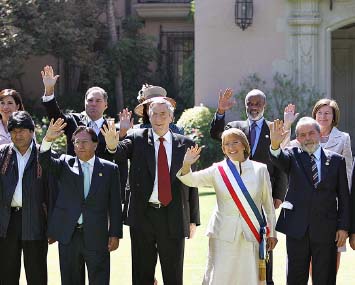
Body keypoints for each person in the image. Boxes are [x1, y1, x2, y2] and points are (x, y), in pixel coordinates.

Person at [101, 98, 200, 285]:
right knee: (141, 274)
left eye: (163, 114)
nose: (158, 118)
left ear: (171, 117)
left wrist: (193, 218)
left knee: (173, 274)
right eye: (154, 113)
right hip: (143, 215)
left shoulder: (185, 143)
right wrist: (112, 144)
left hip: (173, 215)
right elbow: (120, 151)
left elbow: (191, 182)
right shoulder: (137, 137)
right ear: (149, 116)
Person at [177, 128, 277, 285]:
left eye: (235, 142)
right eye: (226, 144)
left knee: (248, 276)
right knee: (221, 276)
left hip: (250, 233)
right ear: (223, 149)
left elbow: (268, 205)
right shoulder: (218, 170)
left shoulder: (260, 169)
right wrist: (186, 165)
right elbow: (190, 180)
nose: (231, 147)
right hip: (223, 233)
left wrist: (273, 233)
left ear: (244, 145)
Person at [209, 88, 287, 284]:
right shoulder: (234, 127)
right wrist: (220, 112)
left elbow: (281, 164)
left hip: (261, 198)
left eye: (257, 104)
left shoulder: (274, 129)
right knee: (237, 244)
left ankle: (265, 281)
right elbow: (216, 133)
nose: (253, 107)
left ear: (264, 105)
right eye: (249, 104)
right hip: (234, 199)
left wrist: (278, 194)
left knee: (264, 243)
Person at [39, 120, 122, 285]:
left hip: (97, 236)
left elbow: (114, 205)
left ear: (95, 145)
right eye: (77, 142)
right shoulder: (64, 164)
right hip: (69, 235)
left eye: (84, 141)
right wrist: (47, 139)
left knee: (99, 280)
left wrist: (115, 233)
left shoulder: (109, 169)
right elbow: (45, 161)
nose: (80, 145)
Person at [269, 117, 350, 285]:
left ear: (319, 133)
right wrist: (275, 145)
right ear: (297, 139)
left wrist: (343, 227)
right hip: (297, 230)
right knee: (295, 278)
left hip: (327, 231)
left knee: (325, 278)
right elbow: (278, 158)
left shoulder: (336, 161)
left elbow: (344, 197)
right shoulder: (292, 156)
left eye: (311, 133)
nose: (307, 138)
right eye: (302, 135)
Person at [283, 100, 353, 272]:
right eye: (320, 113)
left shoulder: (343, 138)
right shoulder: (304, 135)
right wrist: (287, 124)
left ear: (334, 116)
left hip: (330, 207)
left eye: (327, 113)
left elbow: (348, 172)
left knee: (327, 263)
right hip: (304, 210)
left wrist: (345, 214)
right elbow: (283, 152)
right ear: (315, 115)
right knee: (300, 263)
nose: (323, 116)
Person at [40, 65, 128, 201]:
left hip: (101, 189)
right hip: (74, 185)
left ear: (106, 105)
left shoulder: (112, 129)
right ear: (84, 103)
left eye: (98, 101)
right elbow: (56, 117)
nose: (93, 104)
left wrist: (121, 135)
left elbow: (118, 161)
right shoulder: (73, 121)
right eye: (90, 100)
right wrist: (49, 90)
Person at [0, 111, 49, 285]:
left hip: (35, 220)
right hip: (7, 222)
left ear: (31, 131)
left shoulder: (43, 155)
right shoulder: (3, 154)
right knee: (6, 273)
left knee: (36, 274)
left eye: (22, 130)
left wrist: (51, 225)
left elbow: (52, 192)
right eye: (13, 131)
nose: (17, 135)